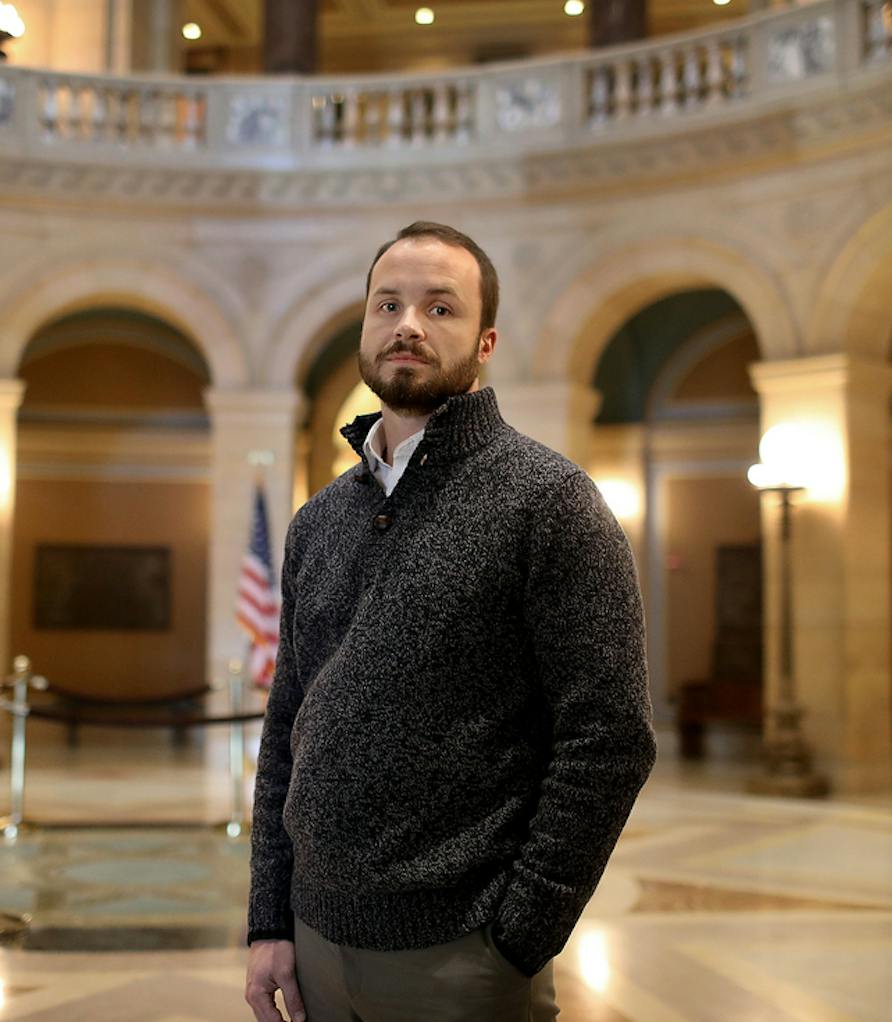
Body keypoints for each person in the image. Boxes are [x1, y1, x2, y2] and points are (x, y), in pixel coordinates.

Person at [244, 221, 657, 1022]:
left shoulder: (549, 503)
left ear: (485, 340)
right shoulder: (318, 521)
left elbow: (609, 739)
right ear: (364, 327)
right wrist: (268, 919)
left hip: (462, 960)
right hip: (313, 945)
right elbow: (286, 723)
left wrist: (519, 935)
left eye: (440, 309)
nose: (407, 324)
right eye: (388, 304)